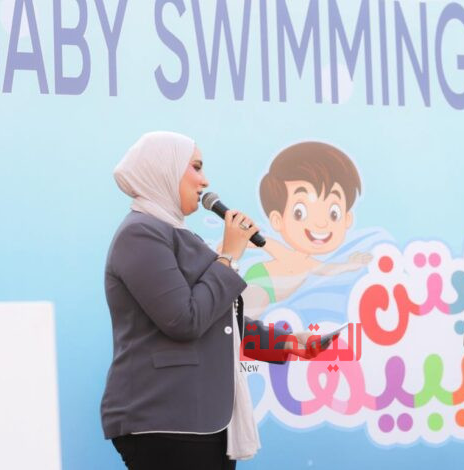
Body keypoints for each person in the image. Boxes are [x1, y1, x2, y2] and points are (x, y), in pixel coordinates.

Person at [100, 131, 322, 470]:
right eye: (196, 167)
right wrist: (228, 256)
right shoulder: (140, 233)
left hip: (201, 420)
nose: (205, 181)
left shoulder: (177, 235)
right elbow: (185, 320)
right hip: (165, 419)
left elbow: (220, 324)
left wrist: (290, 343)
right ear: (164, 169)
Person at [242, 141, 371, 318]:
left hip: (271, 295)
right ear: (277, 220)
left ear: (347, 219)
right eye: (299, 212)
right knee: (248, 311)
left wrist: (350, 265)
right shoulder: (290, 256)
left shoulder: (309, 264)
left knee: (250, 317)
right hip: (261, 279)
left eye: (334, 213)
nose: (321, 223)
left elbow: (328, 269)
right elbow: (264, 243)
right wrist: (235, 246)